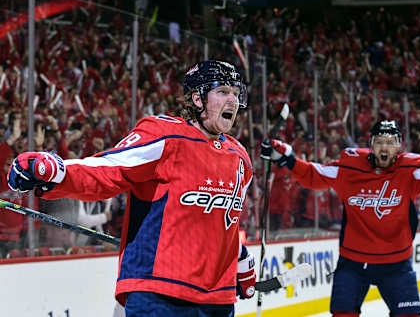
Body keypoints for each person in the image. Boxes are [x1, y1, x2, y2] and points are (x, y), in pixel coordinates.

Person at [7, 60, 256, 317]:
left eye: (236, 94)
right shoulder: (166, 136)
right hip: (160, 294)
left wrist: (238, 256)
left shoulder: (240, 158)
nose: (233, 101)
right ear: (197, 98)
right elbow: (108, 170)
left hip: (218, 300)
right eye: (223, 91)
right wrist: (58, 172)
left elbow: (221, 221)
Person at [261, 120, 420, 317]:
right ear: (371, 145)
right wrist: (287, 158)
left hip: (396, 264)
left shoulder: (410, 170)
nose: (384, 148)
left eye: (390, 143)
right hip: (353, 263)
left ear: (399, 146)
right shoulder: (351, 167)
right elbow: (314, 175)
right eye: (379, 142)